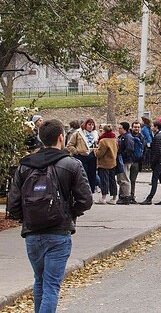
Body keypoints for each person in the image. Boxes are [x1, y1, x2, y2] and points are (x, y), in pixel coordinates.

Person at [7, 118, 93, 313]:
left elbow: (13, 205)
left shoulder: (24, 166)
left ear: (40, 138)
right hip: (58, 232)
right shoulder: (71, 164)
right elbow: (86, 200)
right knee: (51, 285)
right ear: (61, 138)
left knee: (40, 281)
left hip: (32, 232)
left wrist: (27, 217)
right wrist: (70, 213)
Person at [140, 120, 161, 205]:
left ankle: (149, 198)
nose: (151, 128)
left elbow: (157, 151)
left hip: (158, 162)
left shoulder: (158, 137)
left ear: (156, 127)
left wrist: (152, 162)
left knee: (154, 180)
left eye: (153, 126)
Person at [93, 124, 118, 205]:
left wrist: (95, 150)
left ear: (104, 131)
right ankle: (114, 198)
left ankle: (103, 198)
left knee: (104, 180)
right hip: (113, 162)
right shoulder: (114, 139)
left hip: (104, 163)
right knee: (112, 180)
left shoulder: (103, 141)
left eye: (101, 130)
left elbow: (99, 154)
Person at [115, 122, 134, 205]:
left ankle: (126, 196)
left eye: (120, 128)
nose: (119, 130)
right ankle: (122, 195)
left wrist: (122, 155)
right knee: (121, 178)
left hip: (126, 160)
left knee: (124, 178)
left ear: (124, 129)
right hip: (122, 160)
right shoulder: (121, 137)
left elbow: (130, 149)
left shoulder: (128, 137)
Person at [77, 118, 98, 193]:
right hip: (81, 156)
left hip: (92, 157)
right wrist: (77, 152)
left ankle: (91, 192)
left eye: (92, 125)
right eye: (89, 124)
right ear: (85, 125)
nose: (91, 126)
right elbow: (70, 145)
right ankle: (83, 192)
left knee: (92, 175)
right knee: (83, 175)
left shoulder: (95, 134)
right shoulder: (78, 133)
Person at [127, 122, 143, 203]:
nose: (136, 129)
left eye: (138, 127)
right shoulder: (128, 136)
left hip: (136, 161)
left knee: (133, 180)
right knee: (126, 179)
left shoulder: (141, 137)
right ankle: (125, 195)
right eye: (135, 127)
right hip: (128, 160)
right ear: (132, 127)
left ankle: (132, 196)